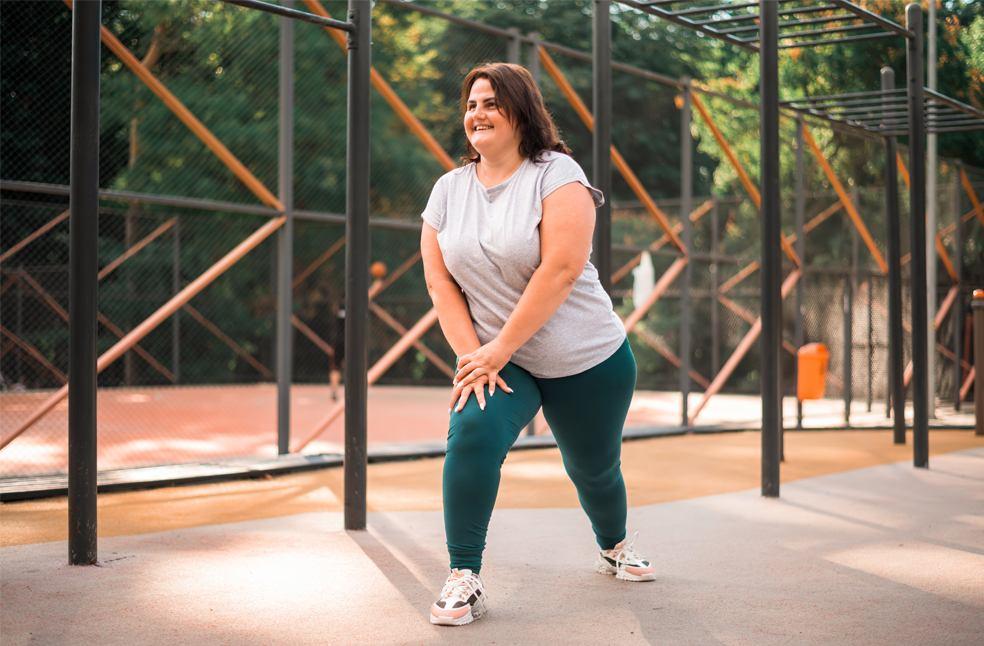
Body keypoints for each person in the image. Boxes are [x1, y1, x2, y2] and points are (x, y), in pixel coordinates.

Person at [420, 62, 655, 627]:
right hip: (503, 361)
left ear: (521, 112)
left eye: (491, 103)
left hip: (586, 356)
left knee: (594, 469)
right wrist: (475, 357)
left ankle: (613, 545)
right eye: (471, 104)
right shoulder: (449, 190)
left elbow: (563, 268)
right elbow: (438, 279)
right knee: (472, 432)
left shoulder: (557, 174)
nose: (477, 114)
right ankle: (463, 575)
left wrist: (498, 347)